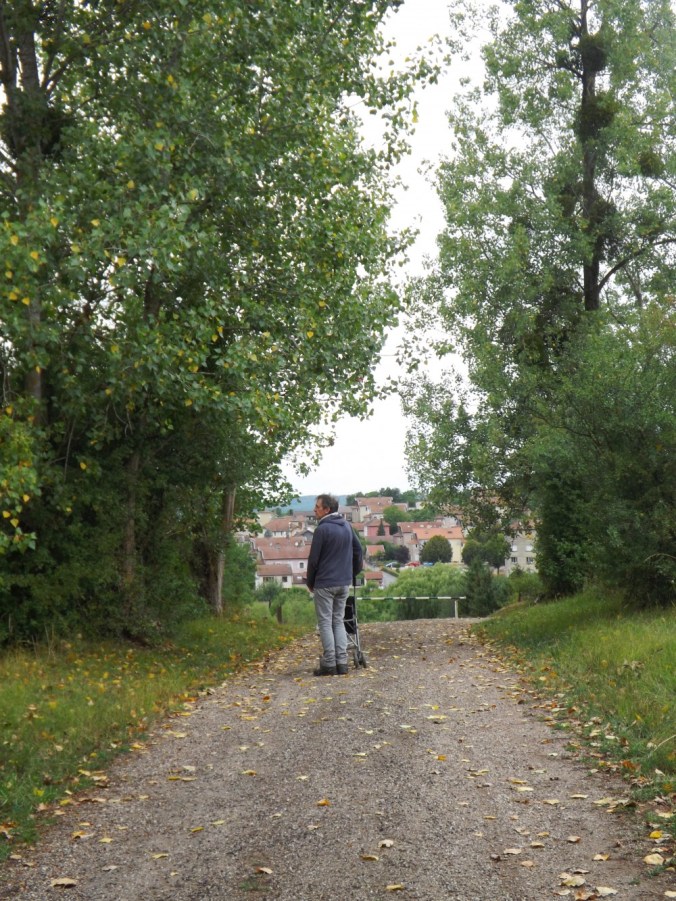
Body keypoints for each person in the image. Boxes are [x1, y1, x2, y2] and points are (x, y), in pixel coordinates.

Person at [306, 494, 363, 676]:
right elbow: (358, 550)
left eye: (317, 507)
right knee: (338, 621)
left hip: (325, 583)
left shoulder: (322, 530)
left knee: (325, 622)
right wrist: (352, 573)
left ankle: (329, 663)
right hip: (343, 582)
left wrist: (310, 582)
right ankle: (342, 662)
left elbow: (313, 560)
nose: (314, 510)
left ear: (327, 509)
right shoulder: (346, 526)